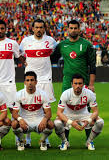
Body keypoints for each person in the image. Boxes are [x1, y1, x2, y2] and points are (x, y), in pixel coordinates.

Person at [52, 20, 96, 142]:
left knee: (87, 111)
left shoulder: (87, 44)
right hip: (67, 83)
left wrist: (91, 84)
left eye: (75, 28)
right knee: (65, 111)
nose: (73, 30)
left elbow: (92, 65)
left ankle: (89, 140)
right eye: (71, 28)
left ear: (79, 29)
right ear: (67, 29)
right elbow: (50, 59)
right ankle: (66, 141)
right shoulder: (62, 45)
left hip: (84, 83)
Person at [19, 19, 57, 147]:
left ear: (44, 28)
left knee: (46, 109)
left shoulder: (51, 41)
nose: (39, 29)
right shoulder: (25, 42)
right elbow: (20, 55)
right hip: (30, 80)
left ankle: (45, 139)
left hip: (46, 80)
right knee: (27, 108)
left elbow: (55, 54)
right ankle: (27, 139)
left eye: (41, 27)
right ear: (33, 28)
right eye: (37, 27)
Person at [54, 74, 104, 150]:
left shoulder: (89, 93)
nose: (78, 86)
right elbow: (59, 112)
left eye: (80, 83)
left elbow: (96, 111)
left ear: (83, 84)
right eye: (75, 83)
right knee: (57, 123)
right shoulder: (66, 94)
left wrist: (88, 121)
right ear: (72, 84)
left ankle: (89, 141)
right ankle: (64, 141)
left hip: (84, 115)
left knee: (100, 122)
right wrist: (71, 122)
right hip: (68, 115)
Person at [12, 71, 54, 151]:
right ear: (24, 82)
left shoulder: (43, 94)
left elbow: (49, 112)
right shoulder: (19, 94)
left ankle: (43, 141)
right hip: (25, 121)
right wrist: (20, 120)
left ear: (36, 82)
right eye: (27, 80)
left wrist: (44, 120)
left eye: (32, 80)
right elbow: (14, 113)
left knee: (51, 124)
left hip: (39, 120)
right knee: (14, 123)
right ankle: (21, 141)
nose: (30, 82)